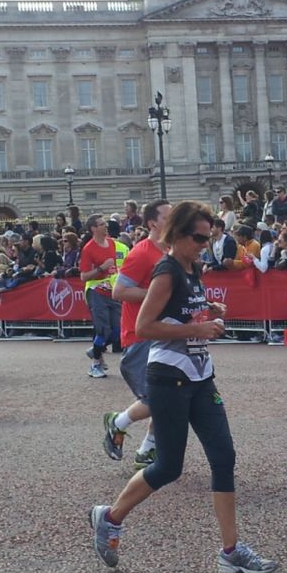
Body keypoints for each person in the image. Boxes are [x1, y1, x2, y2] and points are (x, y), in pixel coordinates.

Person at [88, 202, 278, 573]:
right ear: (176, 235)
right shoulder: (166, 271)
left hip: (199, 374)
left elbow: (181, 312)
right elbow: (145, 327)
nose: (204, 245)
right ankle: (110, 517)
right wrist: (197, 328)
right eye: (198, 238)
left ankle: (231, 550)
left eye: (208, 238)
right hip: (168, 377)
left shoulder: (193, 267)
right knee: (168, 467)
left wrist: (206, 309)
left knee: (224, 456)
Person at [104, 199, 171, 471]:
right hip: (140, 334)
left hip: (165, 332)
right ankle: (119, 423)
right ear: (153, 223)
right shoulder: (142, 253)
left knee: (168, 395)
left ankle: (147, 449)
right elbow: (118, 292)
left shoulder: (172, 250)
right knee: (159, 398)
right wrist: (158, 295)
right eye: (169, 216)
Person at [79, 215, 125, 378]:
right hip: (96, 291)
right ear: (93, 229)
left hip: (112, 291)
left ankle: (95, 350)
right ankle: (95, 364)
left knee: (118, 331)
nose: (106, 226)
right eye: (102, 224)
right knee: (102, 330)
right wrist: (101, 268)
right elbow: (84, 276)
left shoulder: (112, 244)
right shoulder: (88, 249)